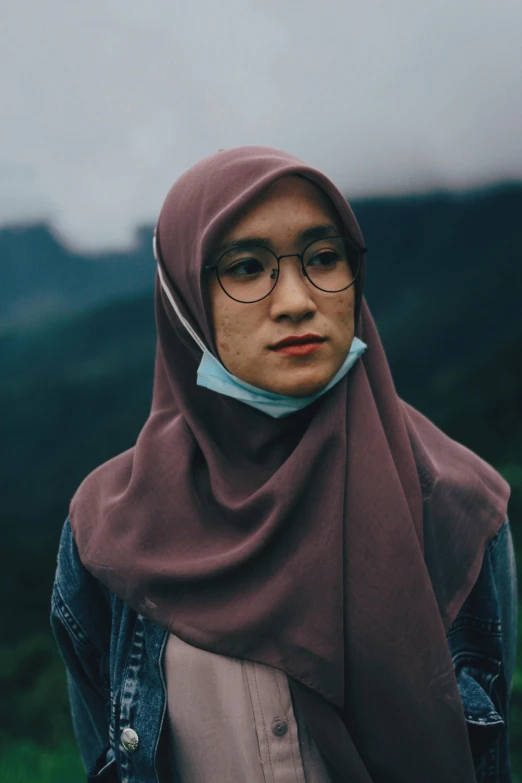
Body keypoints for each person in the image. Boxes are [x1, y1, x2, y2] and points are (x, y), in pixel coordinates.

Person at [50, 146, 517, 783]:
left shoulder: (461, 509)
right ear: (185, 297)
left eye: (325, 258)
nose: (297, 300)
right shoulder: (108, 529)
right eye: (246, 268)